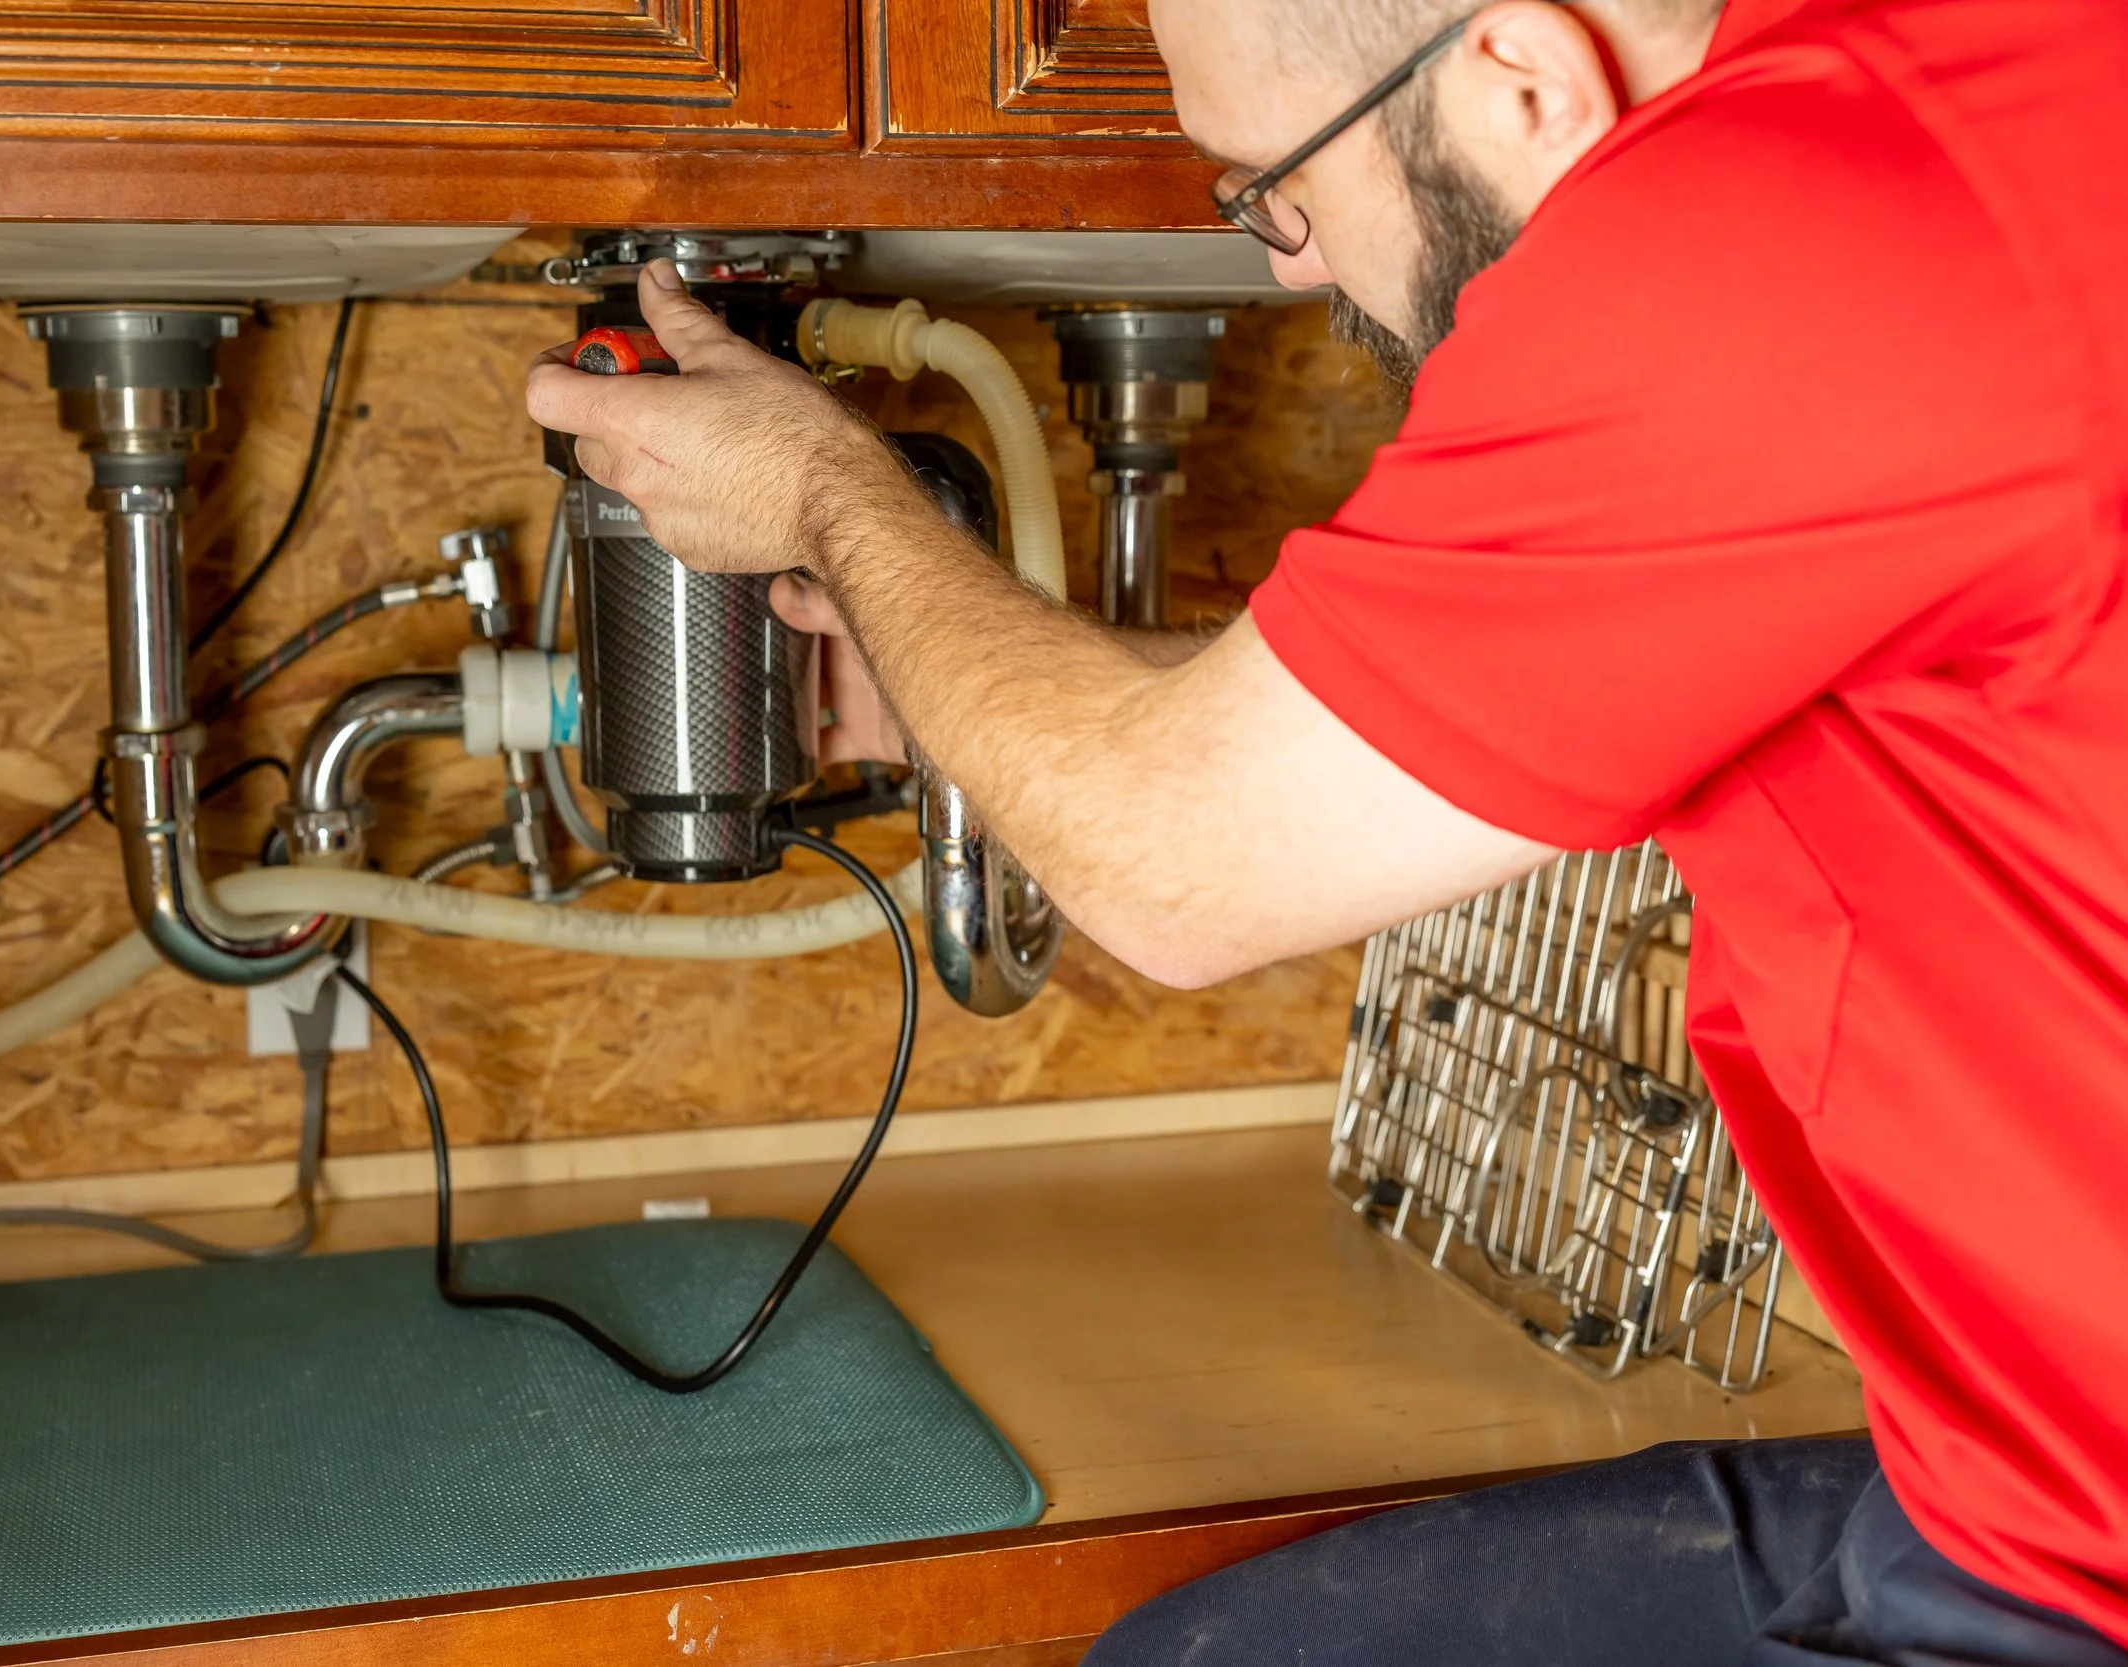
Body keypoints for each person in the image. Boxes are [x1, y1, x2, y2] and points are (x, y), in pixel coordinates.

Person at [523, 0, 2128, 1659]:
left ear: (1520, 74)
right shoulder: (1970, 99)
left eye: (1272, 185)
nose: (1285, 261)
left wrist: (818, 492)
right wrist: (971, 689)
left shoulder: (1775, 221)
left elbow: (1178, 868)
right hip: (2003, 1469)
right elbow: (1420, 724)